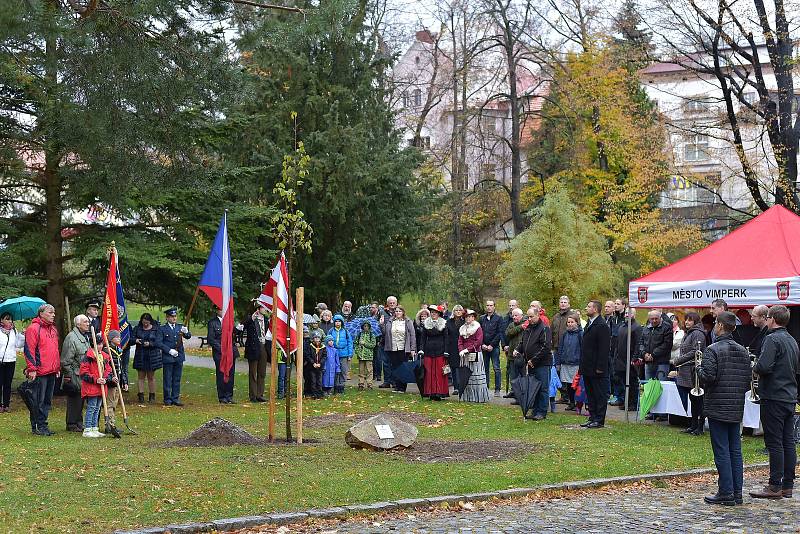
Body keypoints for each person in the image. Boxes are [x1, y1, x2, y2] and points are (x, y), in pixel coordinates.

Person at [697, 311, 751, 506]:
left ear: (719, 326)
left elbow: (708, 377)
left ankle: (726, 492)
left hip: (718, 405)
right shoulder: (743, 351)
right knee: (735, 450)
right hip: (735, 405)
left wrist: (698, 370)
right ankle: (737, 492)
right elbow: (747, 381)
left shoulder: (713, 349)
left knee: (721, 450)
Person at [750, 305, 798, 500]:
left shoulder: (772, 338)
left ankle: (774, 485)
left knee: (775, 443)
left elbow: (763, 366)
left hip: (774, 396)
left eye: (768, 318)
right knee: (788, 442)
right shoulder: (792, 340)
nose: (767, 321)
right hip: (789, 395)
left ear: (772, 319)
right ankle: (788, 485)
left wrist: (753, 365)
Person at [23, 303, 61, 436]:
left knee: (46, 401)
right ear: (41, 314)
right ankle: (37, 426)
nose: (53, 315)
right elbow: (29, 350)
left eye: (54, 312)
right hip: (39, 372)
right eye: (50, 312)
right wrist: (32, 368)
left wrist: (57, 367)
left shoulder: (53, 329)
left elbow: (55, 351)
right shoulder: (33, 328)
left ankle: (43, 424)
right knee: (37, 400)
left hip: (51, 371)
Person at [670, 312, 706, 435]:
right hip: (686, 370)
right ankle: (693, 425)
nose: (687, 322)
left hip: (693, 371)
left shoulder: (698, 333)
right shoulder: (689, 333)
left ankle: (699, 427)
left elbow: (696, 351)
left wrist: (678, 360)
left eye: (690, 320)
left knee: (698, 400)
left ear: (695, 321)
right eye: (686, 320)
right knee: (693, 400)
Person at [579, 300, 611, 429]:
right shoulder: (589, 324)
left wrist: (600, 367)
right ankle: (592, 416)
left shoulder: (601, 325)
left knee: (599, 393)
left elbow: (604, 349)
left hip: (597, 367)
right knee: (590, 393)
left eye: (589, 307)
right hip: (587, 366)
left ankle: (599, 419)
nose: (586, 308)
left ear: (596, 310)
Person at [516, 306, 552, 420]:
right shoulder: (528, 329)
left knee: (542, 388)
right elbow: (523, 342)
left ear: (538, 315)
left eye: (532, 316)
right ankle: (535, 410)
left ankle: (542, 411)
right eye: (528, 317)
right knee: (533, 388)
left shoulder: (544, 328)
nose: (529, 319)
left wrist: (534, 360)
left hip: (542, 364)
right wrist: (518, 349)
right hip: (530, 363)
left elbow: (546, 347)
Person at [61, 314, 92, 432]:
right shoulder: (71, 338)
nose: (88, 323)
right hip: (74, 374)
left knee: (80, 399)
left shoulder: (84, 337)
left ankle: (78, 422)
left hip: (83, 373)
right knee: (74, 398)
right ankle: (71, 423)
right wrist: (70, 377)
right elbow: (65, 361)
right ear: (78, 324)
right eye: (85, 322)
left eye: (88, 321)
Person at [79, 342, 115, 438]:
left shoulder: (104, 356)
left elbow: (108, 369)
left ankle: (95, 428)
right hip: (91, 387)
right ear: (93, 344)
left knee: (97, 408)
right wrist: (96, 379)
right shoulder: (88, 357)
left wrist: (106, 378)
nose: (100, 346)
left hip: (101, 386)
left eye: (101, 344)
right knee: (91, 407)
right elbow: (83, 373)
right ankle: (87, 429)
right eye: (98, 344)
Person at [158, 307, 190, 406]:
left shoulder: (179, 327)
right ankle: (167, 399)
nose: (174, 318)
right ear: (167, 318)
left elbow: (188, 336)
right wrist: (169, 350)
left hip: (179, 356)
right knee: (168, 378)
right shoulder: (162, 328)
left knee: (177, 378)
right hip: (168, 356)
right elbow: (158, 342)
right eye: (172, 317)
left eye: (175, 316)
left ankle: (175, 398)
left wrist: (186, 332)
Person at [208, 306, 239, 403]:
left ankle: (229, 396)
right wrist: (222, 349)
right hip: (220, 353)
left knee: (231, 373)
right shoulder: (213, 323)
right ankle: (222, 396)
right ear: (217, 311)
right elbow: (211, 339)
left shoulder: (229, 321)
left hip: (230, 352)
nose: (222, 311)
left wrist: (238, 329)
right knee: (221, 374)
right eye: (220, 309)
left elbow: (233, 335)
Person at [418, 305, 449, 401]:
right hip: (429, 350)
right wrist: (421, 349)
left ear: (439, 314)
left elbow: (446, 338)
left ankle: (439, 393)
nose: (433, 314)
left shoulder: (444, 323)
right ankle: (430, 392)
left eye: (435, 312)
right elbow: (423, 338)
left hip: (440, 350)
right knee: (429, 372)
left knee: (439, 372)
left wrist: (446, 351)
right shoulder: (426, 323)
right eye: (432, 312)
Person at [381, 305, 415, 393]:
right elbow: (385, 333)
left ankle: (403, 387)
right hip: (392, 347)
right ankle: (397, 386)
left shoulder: (407, 321)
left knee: (403, 367)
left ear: (403, 312)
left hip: (403, 348)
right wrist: (381, 325)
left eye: (399, 311)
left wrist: (412, 348)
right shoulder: (390, 321)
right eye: (396, 311)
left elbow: (412, 335)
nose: (398, 313)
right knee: (395, 367)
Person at [458, 309, 489, 403]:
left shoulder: (477, 327)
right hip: (464, 355)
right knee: (466, 375)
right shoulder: (462, 328)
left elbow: (478, 342)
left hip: (475, 353)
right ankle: (468, 397)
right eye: (467, 316)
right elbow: (460, 341)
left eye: (470, 316)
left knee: (476, 375)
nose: (468, 318)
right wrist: (461, 350)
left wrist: (468, 349)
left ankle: (478, 397)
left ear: (473, 317)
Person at [614, 308, 642, 411]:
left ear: (634, 315)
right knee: (623, 382)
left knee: (632, 382)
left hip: (630, 360)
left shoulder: (637, 327)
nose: (626, 314)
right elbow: (618, 343)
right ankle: (626, 401)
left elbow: (638, 344)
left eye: (629, 313)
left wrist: (634, 358)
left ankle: (633, 403)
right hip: (620, 359)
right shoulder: (621, 327)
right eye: (625, 313)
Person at [132, 313, 161, 404]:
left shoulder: (155, 329)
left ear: (150, 321)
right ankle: (140, 395)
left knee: (151, 377)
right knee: (141, 376)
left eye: (147, 321)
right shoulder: (137, 329)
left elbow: (158, 341)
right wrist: (136, 340)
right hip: (140, 355)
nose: (145, 323)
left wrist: (150, 344)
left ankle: (152, 395)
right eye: (144, 321)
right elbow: (131, 339)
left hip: (152, 356)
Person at [242, 303, 269, 403]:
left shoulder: (266, 320)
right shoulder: (251, 319)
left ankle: (260, 394)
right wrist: (250, 319)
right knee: (253, 372)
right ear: (258, 309)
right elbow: (241, 327)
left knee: (262, 372)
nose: (265, 309)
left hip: (263, 346)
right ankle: (253, 395)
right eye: (263, 307)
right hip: (253, 347)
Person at [556, 312, 582, 411]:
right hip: (565, 362)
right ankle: (571, 402)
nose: (570, 324)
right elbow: (560, 347)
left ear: (577, 323)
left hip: (576, 363)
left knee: (575, 384)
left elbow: (582, 348)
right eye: (568, 322)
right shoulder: (565, 334)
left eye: (572, 322)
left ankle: (577, 403)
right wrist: (559, 361)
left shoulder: (580, 334)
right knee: (568, 384)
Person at [0, 312, 25, 413]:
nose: (10, 321)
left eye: (11, 319)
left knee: (8, 383)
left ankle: (6, 405)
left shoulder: (14, 331)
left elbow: (18, 345)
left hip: (11, 360)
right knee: (0, 383)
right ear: (1, 320)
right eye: (7, 319)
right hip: (1, 361)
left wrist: (22, 335)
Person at [479, 300, 503, 397]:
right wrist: (482, 344)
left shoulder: (498, 318)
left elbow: (499, 333)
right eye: (487, 305)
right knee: (485, 368)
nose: (489, 307)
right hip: (484, 347)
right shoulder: (482, 318)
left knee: (496, 368)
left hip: (494, 347)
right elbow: (479, 332)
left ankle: (497, 389)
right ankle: (486, 388)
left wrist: (492, 345)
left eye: (491, 305)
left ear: (494, 307)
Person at [105, 329, 127, 430]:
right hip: (111, 382)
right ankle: (110, 425)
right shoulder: (107, 351)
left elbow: (122, 368)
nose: (119, 338)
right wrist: (111, 378)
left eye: (119, 336)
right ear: (111, 339)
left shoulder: (118, 350)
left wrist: (124, 381)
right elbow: (106, 368)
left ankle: (112, 423)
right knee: (110, 403)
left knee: (114, 403)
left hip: (118, 381)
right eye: (116, 337)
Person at [504, 308, 527, 392]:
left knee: (522, 375)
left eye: (516, 315)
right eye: (513, 315)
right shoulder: (511, 325)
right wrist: (520, 327)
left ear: (521, 316)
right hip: (511, 354)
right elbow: (507, 333)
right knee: (513, 375)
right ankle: (514, 392)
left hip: (522, 355)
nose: (514, 317)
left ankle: (521, 393)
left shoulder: (527, 324)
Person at [330, 314, 353, 394]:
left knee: (343, 370)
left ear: (342, 322)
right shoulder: (331, 331)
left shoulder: (345, 331)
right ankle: (335, 386)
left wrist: (350, 355)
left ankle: (341, 386)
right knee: (335, 370)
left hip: (344, 353)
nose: (337, 323)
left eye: (339, 321)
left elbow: (350, 343)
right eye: (336, 321)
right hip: (334, 354)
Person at [445, 305, 465, 392]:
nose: (458, 312)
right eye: (456, 310)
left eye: (459, 310)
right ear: (453, 311)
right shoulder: (449, 322)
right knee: (453, 367)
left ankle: (462, 386)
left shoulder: (464, 322)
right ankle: (456, 387)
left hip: (462, 347)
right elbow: (446, 335)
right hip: (452, 346)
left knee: (462, 366)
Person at [354, 321, 376, 390]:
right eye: (364, 326)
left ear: (369, 327)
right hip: (361, 356)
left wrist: (364, 343)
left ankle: (369, 384)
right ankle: (361, 383)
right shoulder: (360, 334)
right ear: (362, 327)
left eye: (367, 326)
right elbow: (355, 343)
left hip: (368, 356)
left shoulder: (371, 335)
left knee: (369, 370)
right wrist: (358, 351)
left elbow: (373, 345)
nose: (366, 327)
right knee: (361, 371)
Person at [306, 333, 326, 398]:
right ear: (313, 339)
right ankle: (314, 394)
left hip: (320, 367)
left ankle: (320, 394)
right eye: (315, 338)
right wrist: (313, 363)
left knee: (319, 381)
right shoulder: (310, 346)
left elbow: (324, 356)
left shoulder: (323, 347)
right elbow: (308, 355)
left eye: (318, 338)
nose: (317, 339)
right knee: (313, 381)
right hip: (312, 367)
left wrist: (320, 363)